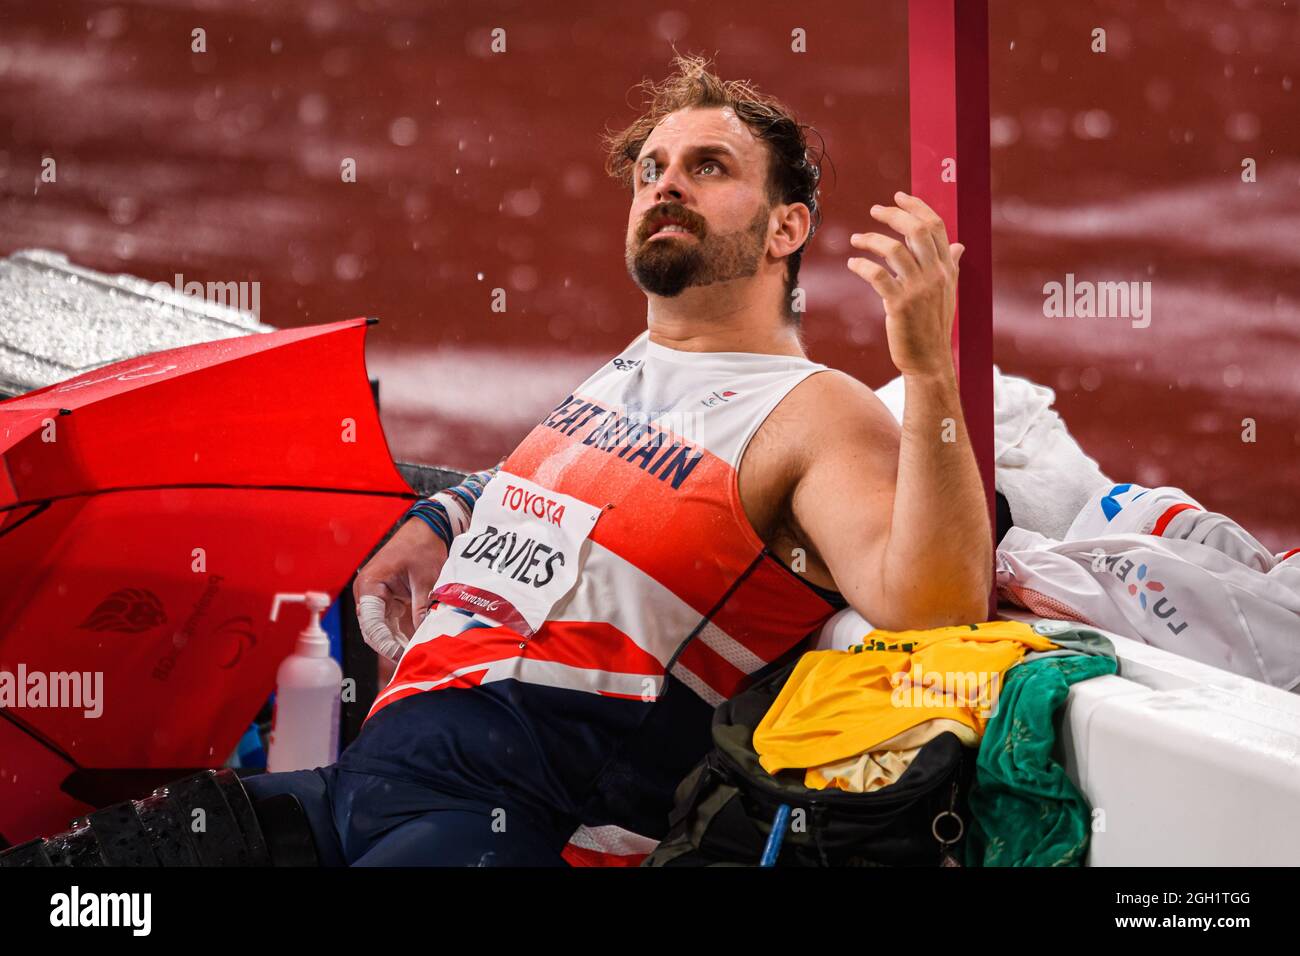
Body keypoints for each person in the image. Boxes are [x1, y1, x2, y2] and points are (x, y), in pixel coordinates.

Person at [14, 53, 993, 867]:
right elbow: (584, 501)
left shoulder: (815, 410)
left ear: (787, 226)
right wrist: (441, 516)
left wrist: (928, 370)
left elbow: (939, 602)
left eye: (707, 166)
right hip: (354, 790)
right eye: (651, 168)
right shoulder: (623, 375)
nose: (665, 185)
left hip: (506, 826)